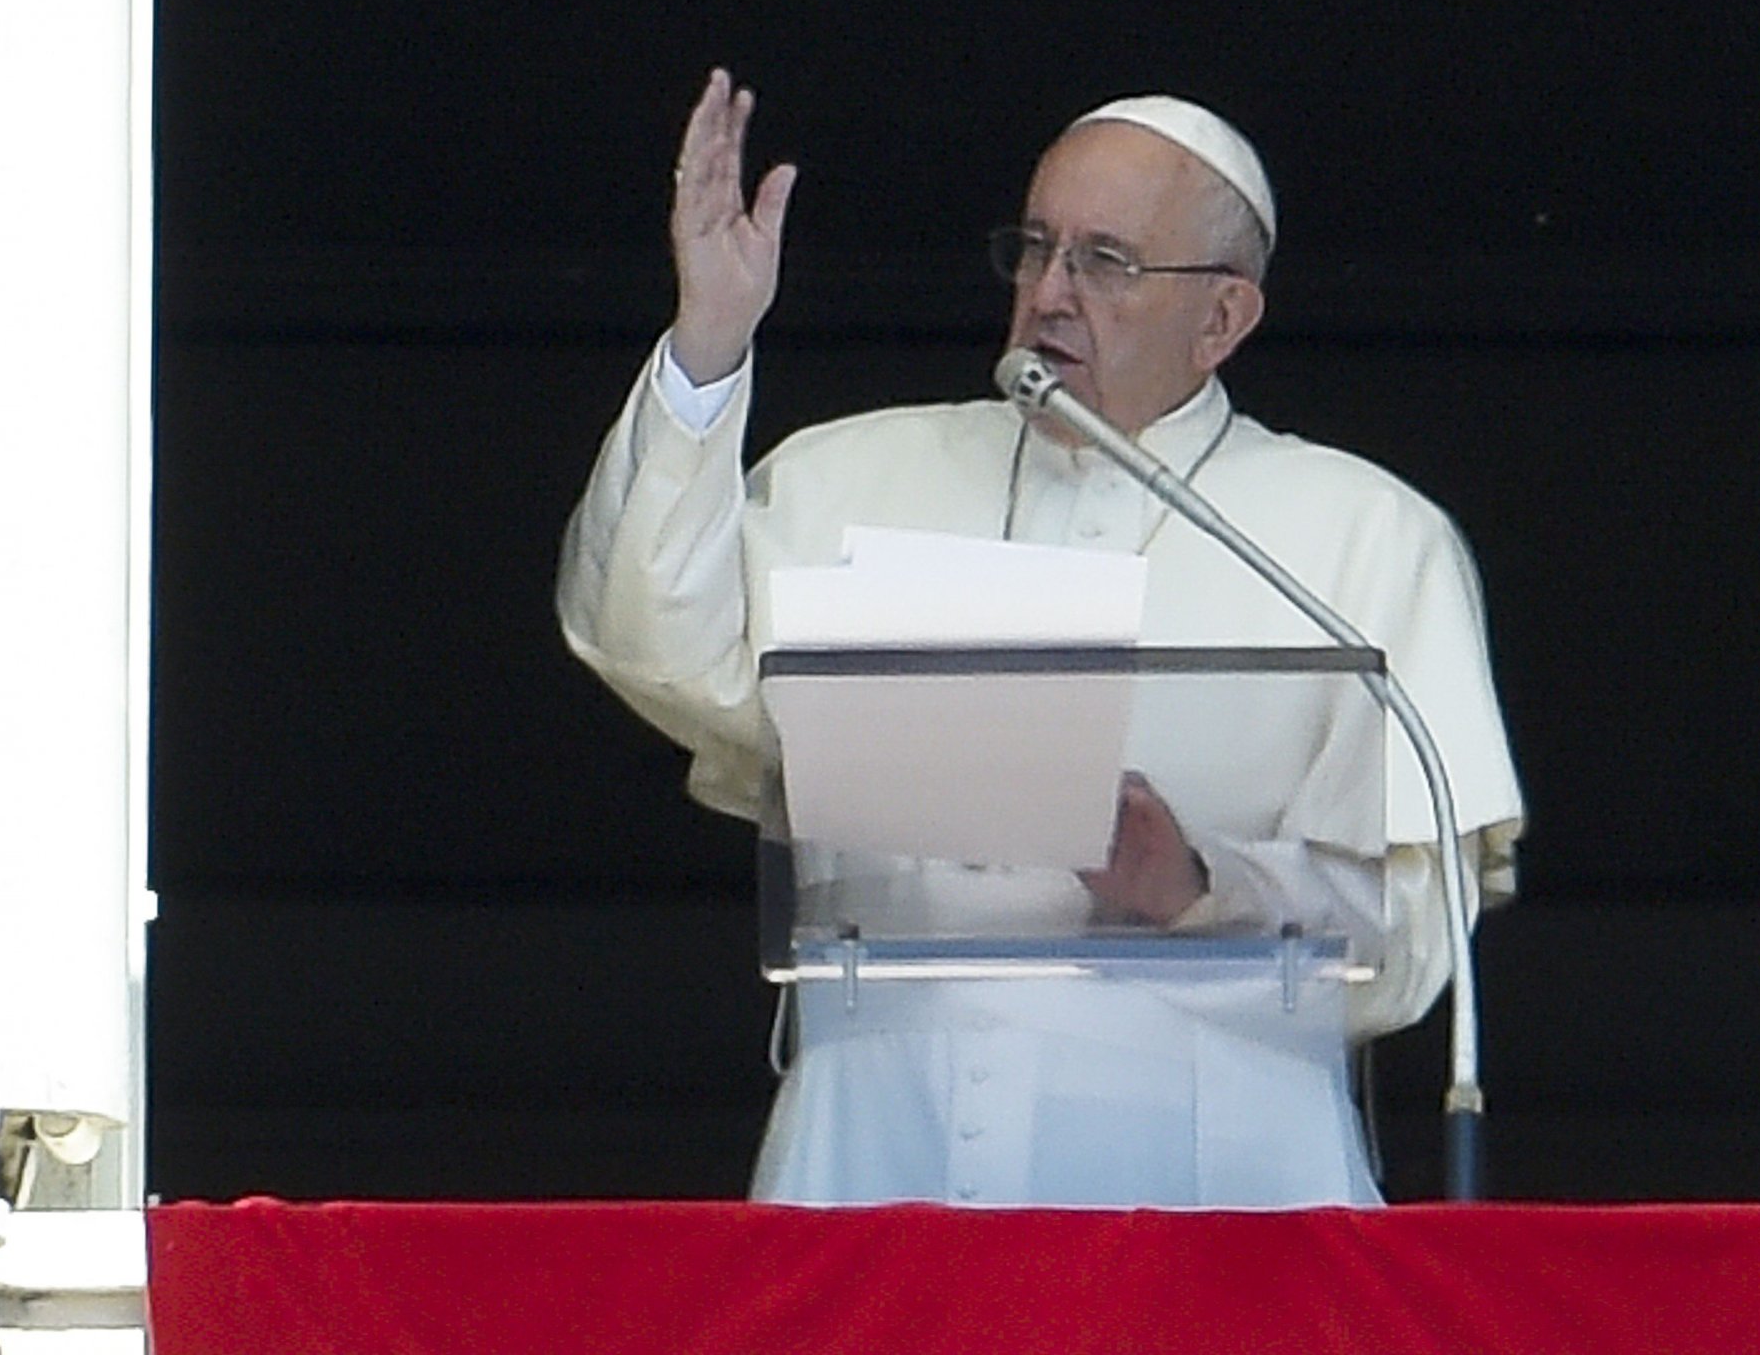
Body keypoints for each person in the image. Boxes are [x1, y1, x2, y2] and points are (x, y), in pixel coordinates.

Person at [558, 69, 1524, 1207]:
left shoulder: (1364, 533)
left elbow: (1414, 944)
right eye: (1034, 248)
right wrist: (709, 342)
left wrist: (1201, 882)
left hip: (1217, 1172)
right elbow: (646, 639)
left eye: (1105, 261)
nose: (1051, 293)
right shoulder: (853, 474)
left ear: (1222, 317)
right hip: (880, 1145)